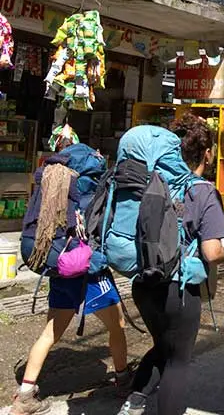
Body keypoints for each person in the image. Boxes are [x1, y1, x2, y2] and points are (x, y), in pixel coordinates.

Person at [117, 114, 224, 415]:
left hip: (143, 283)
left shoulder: (152, 182)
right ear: (207, 153)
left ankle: (134, 401)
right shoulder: (203, 191)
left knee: (164, 347)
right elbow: (212, 251)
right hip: (177, 291)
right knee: (178, 362)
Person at [11, 145, 130, 415]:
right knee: (118, 324)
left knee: (51, 331)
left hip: (60, 265)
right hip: (87, 271)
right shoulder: (87, 189)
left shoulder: (54, 182)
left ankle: (25, 395)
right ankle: (123, 380)